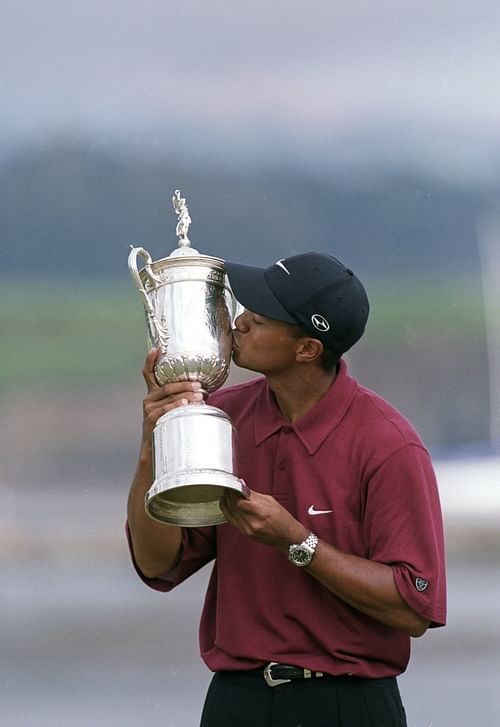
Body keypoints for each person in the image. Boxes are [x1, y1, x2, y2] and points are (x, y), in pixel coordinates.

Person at [126, 252, 447, 727]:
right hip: (237, 703)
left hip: (348, 705)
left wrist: (297, 542)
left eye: (260, 317)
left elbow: (412, 607)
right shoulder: (222, 416)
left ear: (307, 349)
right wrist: (154, 447)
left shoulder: (389, 445)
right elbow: (159, 564)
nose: (241, 322)